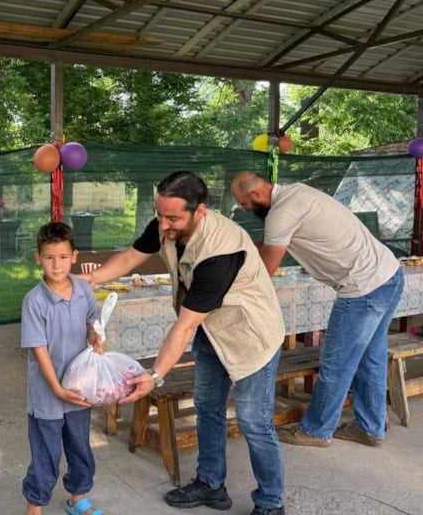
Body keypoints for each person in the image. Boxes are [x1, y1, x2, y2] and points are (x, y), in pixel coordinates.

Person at [78, 171, 286, 515]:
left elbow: (185, 326)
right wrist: (92, 278)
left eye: (173, 218)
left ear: (199, 210)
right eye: (160, 215)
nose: (164, 224)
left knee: (253, 420)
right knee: (207, 408)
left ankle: (270, 502)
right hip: (211, 330)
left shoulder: (221, 252)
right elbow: (132, 256)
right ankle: (211, 484)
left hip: (251, 336)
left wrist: (155, 375)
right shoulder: (167, 223)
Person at [231, 171, 404, 448]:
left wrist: (231, 284)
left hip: (362, 288)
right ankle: (370, 428)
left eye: (244, 203)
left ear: (256, 195)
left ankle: (316, 431)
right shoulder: (297, 192)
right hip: (389, 275)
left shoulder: (281, 213)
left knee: (336, 363)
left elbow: (266, 271)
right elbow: (267, 243)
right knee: (370, 358)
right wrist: (244, 254)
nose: (244, 209)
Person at [20, 221, 106, 515]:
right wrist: (57, 389)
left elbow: (92, 321)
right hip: (48, 394)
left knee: (80, 446)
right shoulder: (34, 301)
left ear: (74, 256)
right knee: (46, 453)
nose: (56, 265)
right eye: (49, 257)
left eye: (63, 257)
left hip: (79, 387)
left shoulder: (83, 290)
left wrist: (94, 336)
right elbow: (39, 349)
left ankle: (77, 498)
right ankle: (34, 507)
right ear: (38, 258)